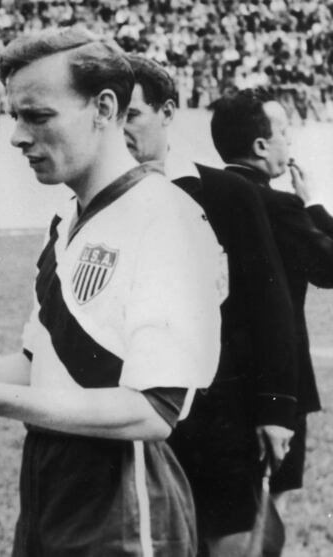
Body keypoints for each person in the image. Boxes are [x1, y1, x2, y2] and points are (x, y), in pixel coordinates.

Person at [0, 28, 227, 556]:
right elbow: (39, 368)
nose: (16, 136)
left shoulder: (167, 218)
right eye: (14, 116)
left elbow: (152, 412)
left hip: (124, 503)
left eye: (37, 116)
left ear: (104, 108)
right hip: (49, 490)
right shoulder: (66, 220)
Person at [124, 55, 298, 556]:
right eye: (111, 119)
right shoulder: (98, 205)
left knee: (228, 541)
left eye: (133, 116)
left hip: (224, 411)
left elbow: (270, 307)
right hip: (137, 414)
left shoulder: (227, 193)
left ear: (168, 112)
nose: (121, 132)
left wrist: (276, 410)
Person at [210, 88, 333, 515]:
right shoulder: (278, 204)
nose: (290, 142)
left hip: (219, 380)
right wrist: (313, 203)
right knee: (267, 512)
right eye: (284, 132)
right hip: (278, 379)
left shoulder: (205, 193)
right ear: (261, 146)